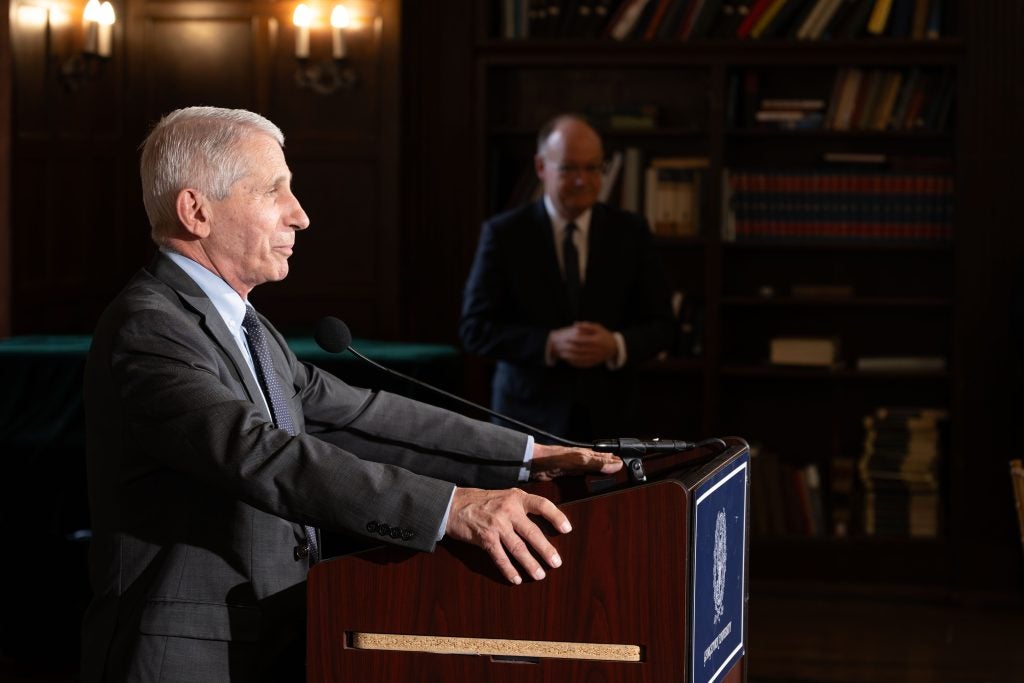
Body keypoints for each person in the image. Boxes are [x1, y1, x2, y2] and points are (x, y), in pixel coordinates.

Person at [80, 106, 621, 682]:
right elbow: (262, 456)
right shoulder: (150, 327)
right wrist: (451, 507)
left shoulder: (249, 326)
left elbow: (360, 416)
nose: (301, 216)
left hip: (273, 637)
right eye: (274, 191)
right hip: (186, 658)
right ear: (197, 210)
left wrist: (528, 456)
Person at [459, 114, 676, 443]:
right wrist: (550, 343)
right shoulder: (505, 234)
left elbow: (663, 326)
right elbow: (474, 330)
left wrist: (616, 345)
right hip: (525, 419)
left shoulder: (631, 231)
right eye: (569, 169)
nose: (582, 181)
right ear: (541, 167)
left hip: (611, 418)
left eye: (592, 168)